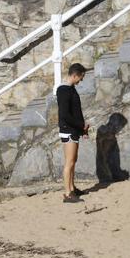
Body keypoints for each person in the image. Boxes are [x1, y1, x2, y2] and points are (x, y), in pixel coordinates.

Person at [57, 63, 89, 203]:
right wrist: (80, 125)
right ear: (75, 75)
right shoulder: (63, 90)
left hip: (73, 129)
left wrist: (82, 129)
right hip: (68, 129)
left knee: (73, 161)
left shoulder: (71, 89)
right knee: (69, 162)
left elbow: (76, 111)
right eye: (80, 78)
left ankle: (72, 187)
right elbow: (65, 115)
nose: (80, 81)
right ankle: (67, 193)